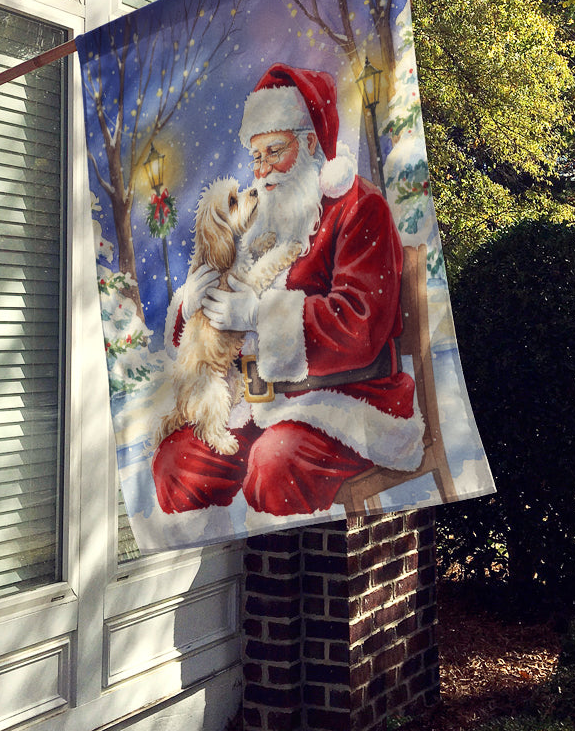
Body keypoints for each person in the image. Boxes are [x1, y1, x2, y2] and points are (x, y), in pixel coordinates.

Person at [152, 63, 421, 518]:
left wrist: (259, 315)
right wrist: (192, 304)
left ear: (311, 142)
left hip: (343, 401)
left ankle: (295, 580)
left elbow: (360, 324)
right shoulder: (264, 214)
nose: (262, 170)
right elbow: (219, 311)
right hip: (255, 404)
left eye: (274, 151)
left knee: (274, 465)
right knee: (176, 464)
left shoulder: (360, 208)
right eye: (255, 157)